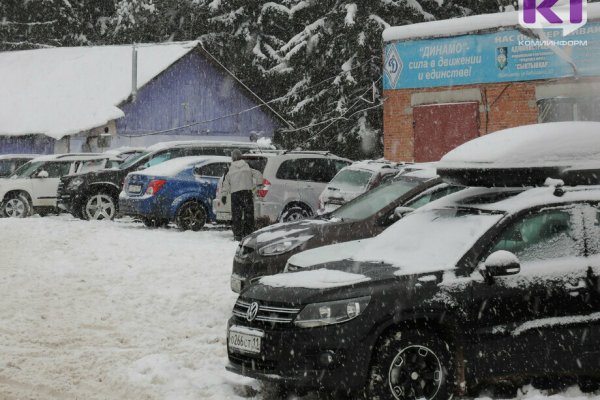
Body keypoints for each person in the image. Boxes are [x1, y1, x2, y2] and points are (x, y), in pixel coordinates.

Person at [222, 150, 262, 241]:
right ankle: (248, 233)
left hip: (235, 194)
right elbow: (258, 174)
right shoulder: (247, 165)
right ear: (241, 156)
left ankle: (238, 235)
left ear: (232, 158)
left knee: (236, 215)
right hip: (247, 192)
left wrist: (224, 195)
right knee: (249, 214)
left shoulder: (230, 168)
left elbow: (226, 183)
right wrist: (258, 186)